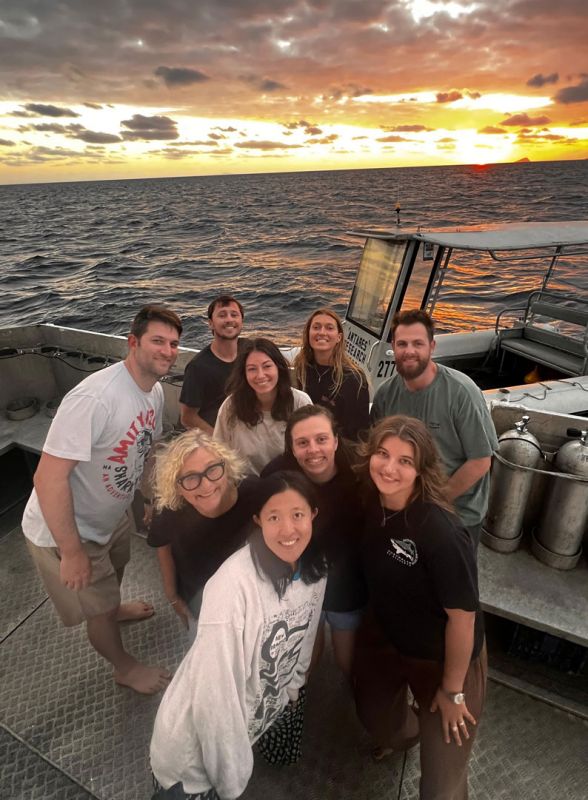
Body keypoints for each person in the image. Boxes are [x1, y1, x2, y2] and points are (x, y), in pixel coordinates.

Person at [22, 305, 183, 695]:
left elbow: (144, 448)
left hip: (111, 516)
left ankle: (114, 608)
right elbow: (48, 477)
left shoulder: (154, 391)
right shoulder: (96, 398)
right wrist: (72, 550)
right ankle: (123, 667)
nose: (168, 351)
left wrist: (143, 498)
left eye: (174, 344)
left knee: (116, 573)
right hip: (68, 529)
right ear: (133, 342)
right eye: (157, 341)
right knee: (97, 608)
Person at [150, 471, 327, 800]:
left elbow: (307, 629)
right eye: (274, 517)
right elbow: (215, 702)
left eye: (298, 515)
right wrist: (231, 786)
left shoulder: (316, 568)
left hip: (261, 713)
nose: (288, 530)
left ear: (313, 515)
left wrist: (293, 686)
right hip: (194, 764)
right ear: (258, 520)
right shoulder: (232, 588)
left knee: (276, 755)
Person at [354, 415, 486, 800]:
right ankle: (408, 734)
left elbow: (463, 618)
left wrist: (452, 691)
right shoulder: (369, 500)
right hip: (388, 640)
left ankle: (434, 727)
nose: (389, 467)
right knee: (376, 719)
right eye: (382, 453)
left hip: (445, 659)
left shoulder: (440, 531)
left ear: (421, 469)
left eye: (405, 461)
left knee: (441, 787)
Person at [370, 309, 498, 547]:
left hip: (456, 510)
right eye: (402, 343)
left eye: (418, 343)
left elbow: (481, 460)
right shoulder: (385, 395)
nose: (409, 351)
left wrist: (431, 503)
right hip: (404, 504)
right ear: (393, 347)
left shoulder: (462, 393)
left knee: (454, 579)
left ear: (432, 346)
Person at [262, 405, 366, 678]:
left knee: (348, 663)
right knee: (306, 660)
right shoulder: (278, 477)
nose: (313, 450)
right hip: (303, 580)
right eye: (302, 443)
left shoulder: (361, 470)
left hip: (348, 585)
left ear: (335, 440)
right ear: (292, 449)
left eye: (321, 439)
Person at [148, 430, 261, 639]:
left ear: (226, 468)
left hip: (250, 599)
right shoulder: (170, 509)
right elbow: (162, 545)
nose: (206, 485)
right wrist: (172, 595)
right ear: (176, 486)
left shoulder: (253, 492)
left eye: (212, 469)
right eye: (190, 478)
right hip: (199, 602)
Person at [213, 337, 311, 475]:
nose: (260, 375)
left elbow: (311, 452)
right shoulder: (231, 406)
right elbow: (219, 452)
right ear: (244, 374)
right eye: (252, 369)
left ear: (279, 367)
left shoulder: (300, 402)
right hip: (246, 487)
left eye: (267, 366)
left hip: (289, 486)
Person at [294, 308, 369, 440]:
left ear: (339, 337)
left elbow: (359, 432)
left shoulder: (353, 378)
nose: (322, 332)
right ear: (308, 333)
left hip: (339, 451)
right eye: (316, 327)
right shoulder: (301, 369)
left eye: (329, 328)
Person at [180, 294, 244, 434]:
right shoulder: (198, 367)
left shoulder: (249, 350)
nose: (229, 319)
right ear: (210, 323)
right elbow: (187, 418)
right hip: (216, 437)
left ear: (241, 321)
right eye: (222, 315)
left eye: (234, 315)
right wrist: (219, 441)